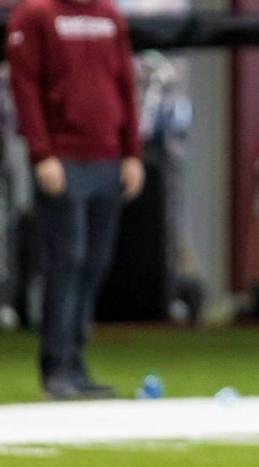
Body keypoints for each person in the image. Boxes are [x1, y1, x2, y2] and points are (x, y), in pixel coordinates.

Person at [6, 0, 145, 400]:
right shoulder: (35, 15)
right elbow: (25, 85)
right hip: (63, 158)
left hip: (107, 157)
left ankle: (77, 364)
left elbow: (125, 84)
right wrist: (41, 153)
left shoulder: (109, 16)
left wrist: (132, 152)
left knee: (95, 262)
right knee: (66, 261)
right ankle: (56, 367)